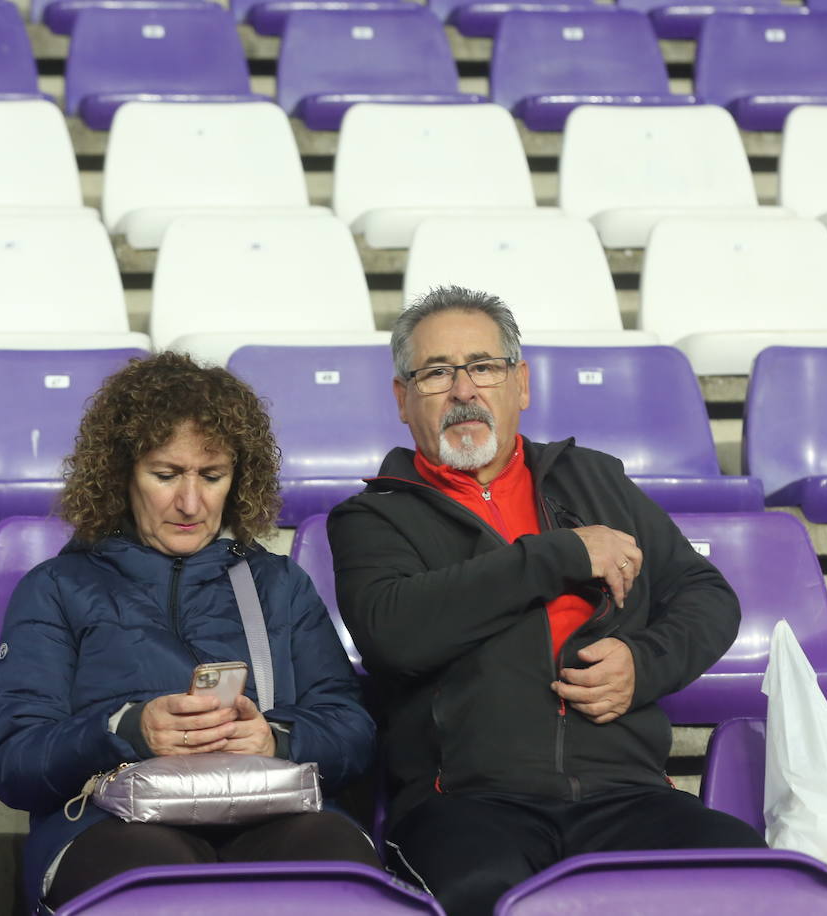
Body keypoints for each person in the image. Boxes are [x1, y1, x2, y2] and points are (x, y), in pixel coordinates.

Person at [327, 286, 766, 916]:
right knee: (483, 894)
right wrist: (560, 555)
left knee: (754, 882)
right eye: (435, 374)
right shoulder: (372, 516)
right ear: (402, 400)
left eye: (483, 366)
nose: (463, 391)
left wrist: (644, 664)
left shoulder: (595, 480)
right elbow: (393, 632)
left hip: (628, 796)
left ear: (520, 384)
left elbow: (706, 595)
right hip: (466, 806)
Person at [0, 352, 379, 911]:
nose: (190, 503)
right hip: (110, 824)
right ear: (121, 475)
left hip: (271, 809)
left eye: (212, 477)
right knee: (152, 879)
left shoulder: (279, 584)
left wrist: (277, 739)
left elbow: (353, 731)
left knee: (337, 862)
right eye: (166, 475)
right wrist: (125, 730)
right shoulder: (54, 587)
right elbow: (12, 762)